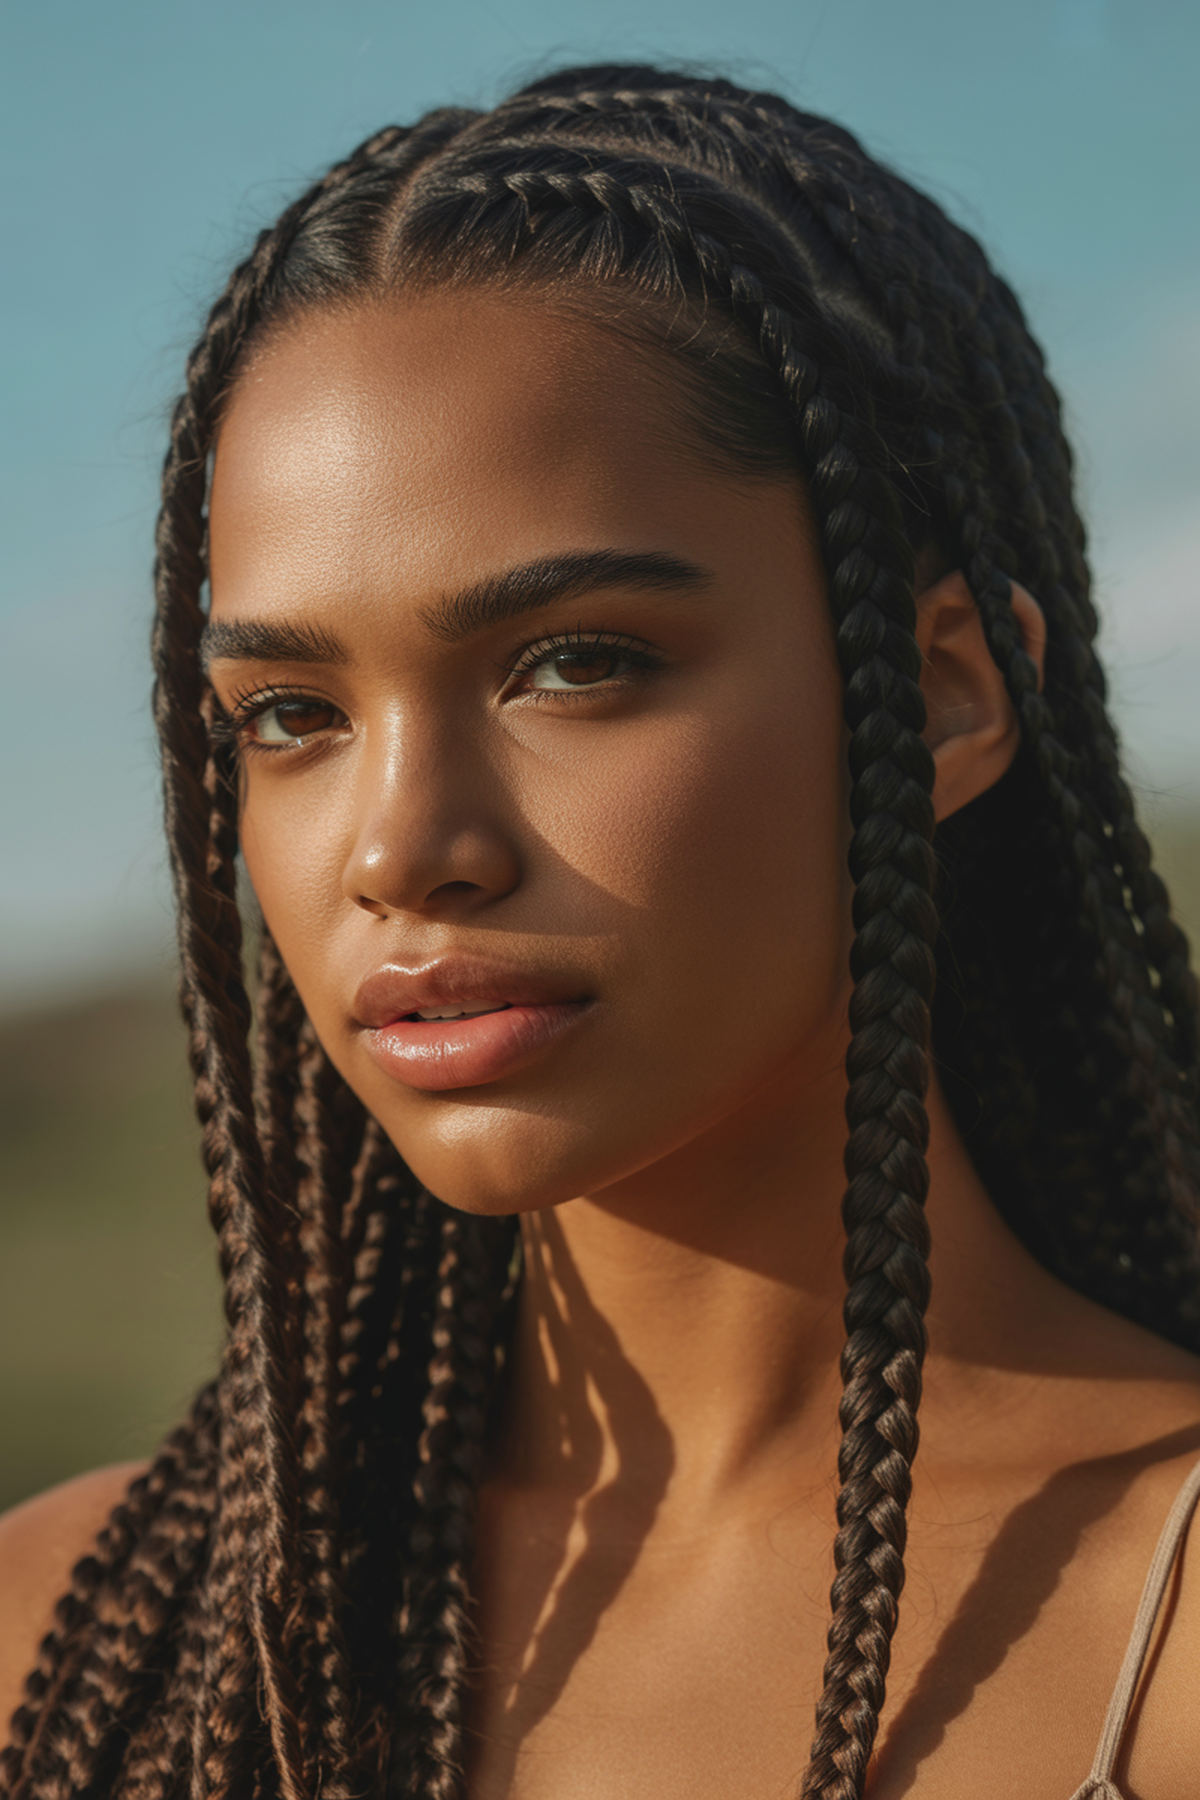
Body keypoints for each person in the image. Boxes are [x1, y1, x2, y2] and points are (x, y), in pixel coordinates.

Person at [1, 60, 1198, 1800]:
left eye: (575, 664)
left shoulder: (1167, 1619)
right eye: (292, 713)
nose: (404, 849)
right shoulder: (78, 1645)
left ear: (940, 692)